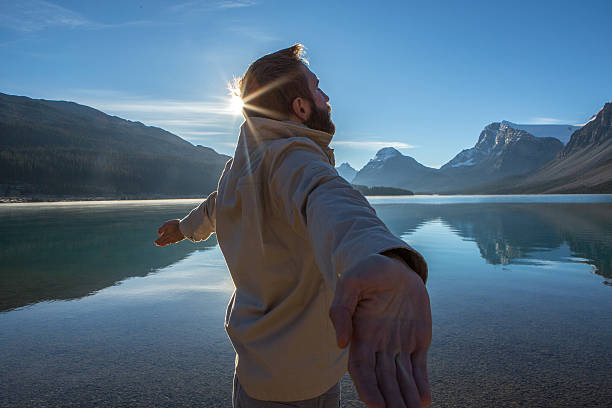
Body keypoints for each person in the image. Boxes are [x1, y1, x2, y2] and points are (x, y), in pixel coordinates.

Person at [155, 44, 432, 408]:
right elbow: (325, 194)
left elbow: (216, 205)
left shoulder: (240, 166)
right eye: (317, 87)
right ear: (300, 107)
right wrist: (377, 252)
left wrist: (184, 229)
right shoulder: (293, 155)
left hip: (253, 366)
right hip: (304, 377)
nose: (327, 96)